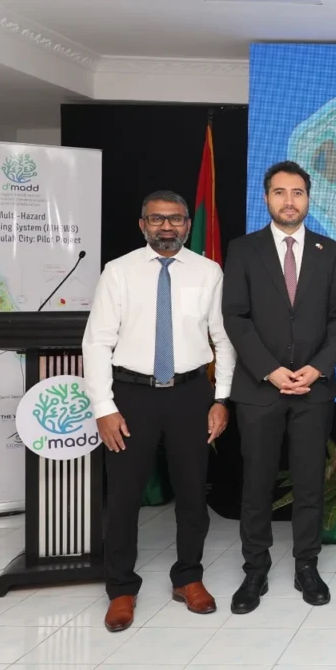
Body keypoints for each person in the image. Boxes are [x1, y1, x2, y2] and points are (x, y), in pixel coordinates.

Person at [83, 190, 236, 632]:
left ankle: (188, 577)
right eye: (156, 219)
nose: (166, 227)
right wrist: (104, 407)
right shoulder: (118, 271)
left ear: (188, 224)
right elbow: (97, 342)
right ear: (142, 224)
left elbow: (223, 339)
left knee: (192, 494)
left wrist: (221, 399)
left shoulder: (209, 271)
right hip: (131, 396)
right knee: (124, 497)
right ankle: (121, 588)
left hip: (190, 395)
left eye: (175, 219)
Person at [222, 161, 336, 613]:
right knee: (256, 484)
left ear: (309, 198)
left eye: (297, 192)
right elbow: (235, 316)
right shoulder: (243, 249)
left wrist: (317, 369)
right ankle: (254, 570)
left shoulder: (330, 251)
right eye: (280, 192)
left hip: (313, 389)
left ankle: (306, 566)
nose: (289, 201)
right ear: (266, 198)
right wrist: (270, 370)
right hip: (259, 389)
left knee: (310, 483)